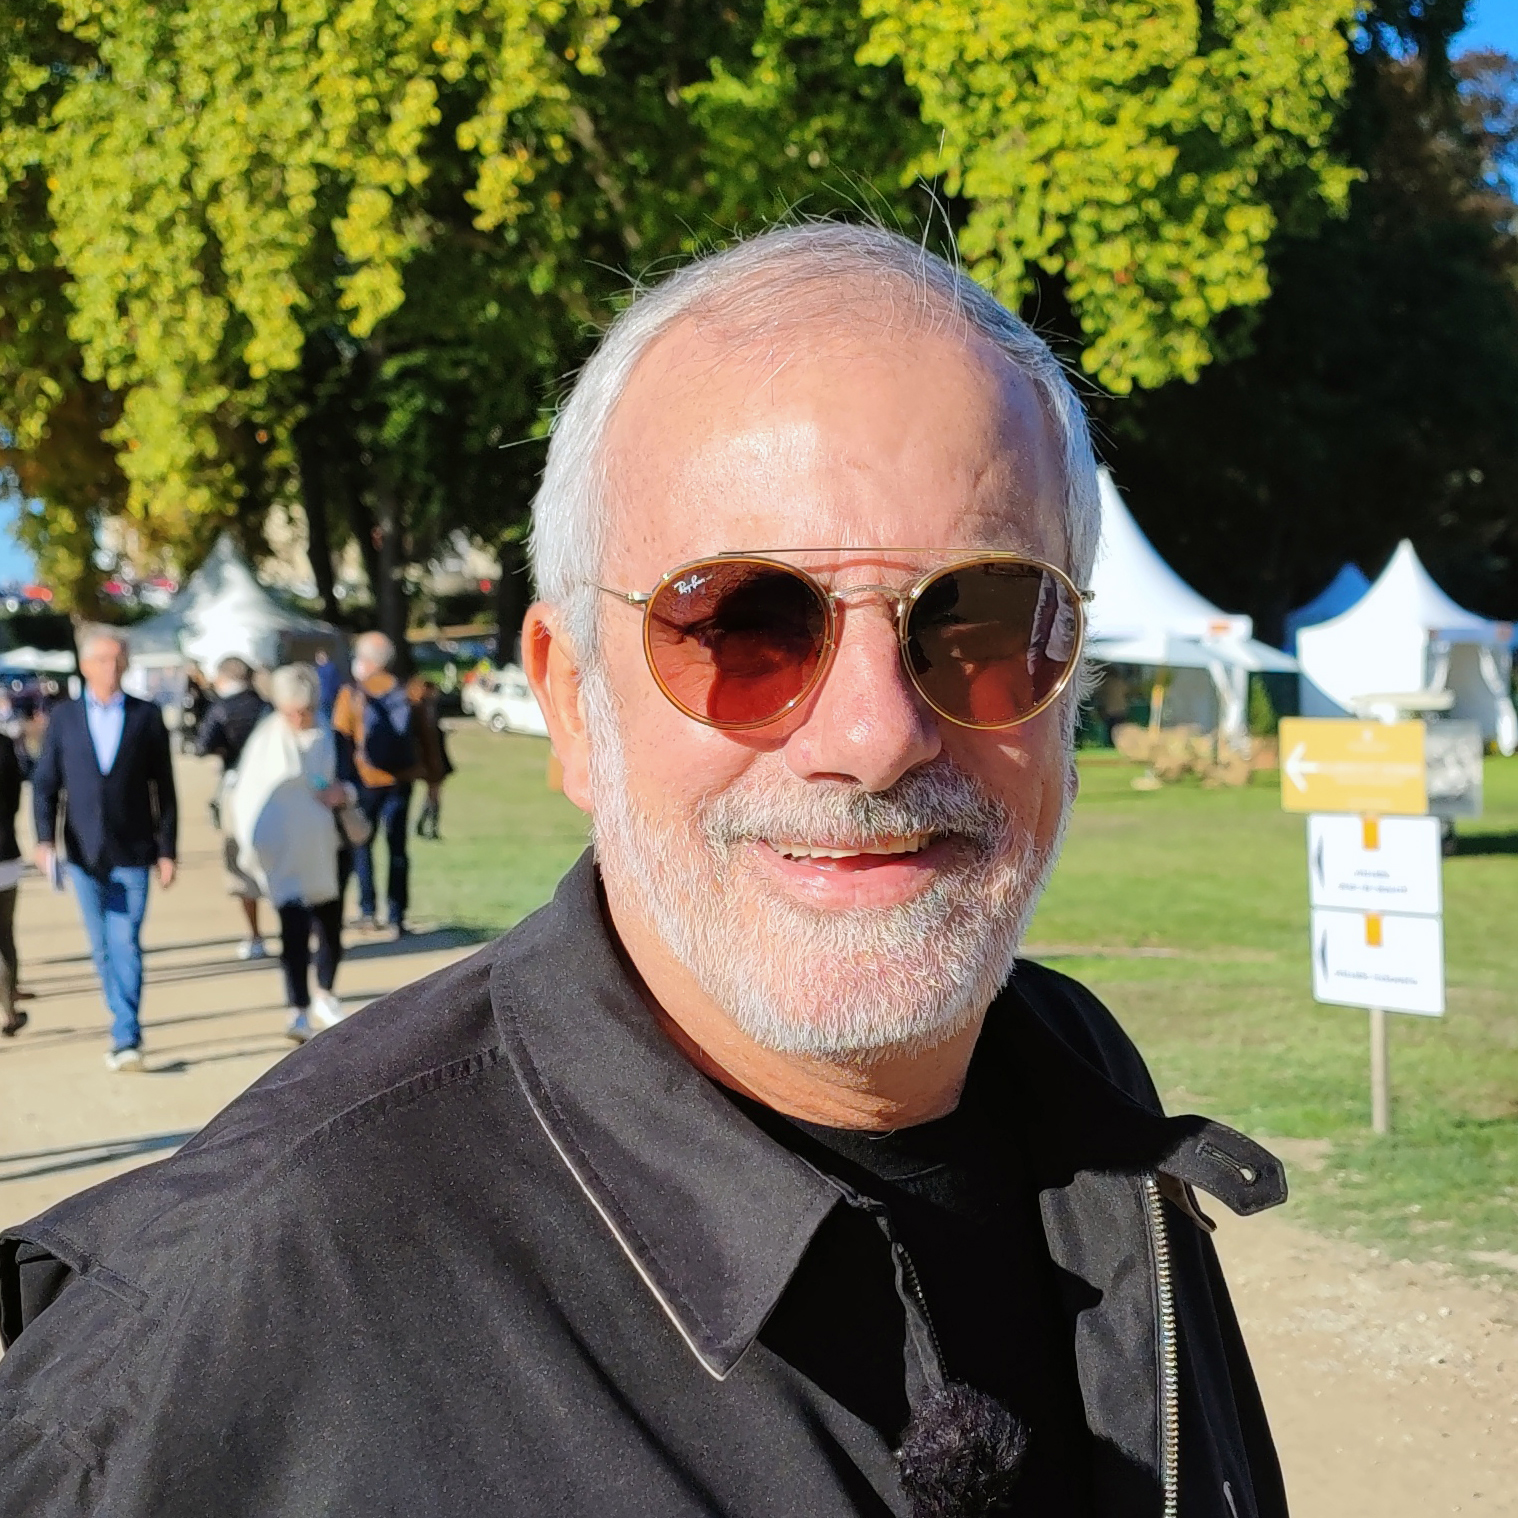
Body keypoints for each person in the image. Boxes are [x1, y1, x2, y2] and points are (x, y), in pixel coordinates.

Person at [0, 226, 1287, 1517]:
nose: (874, 736)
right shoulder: (200, 1363)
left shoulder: (1082, 1092)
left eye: (983, 618)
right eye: (743, 621)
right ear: (571, 697)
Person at [29, 627, 177, 1070]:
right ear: (85, 665)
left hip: (134, 850)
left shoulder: (146, 717)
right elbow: (45, 785)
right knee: (101, 946)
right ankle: (121, 1019)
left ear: (126, 665)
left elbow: (164, 790)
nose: (110, 670)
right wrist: (43, 841)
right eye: (101, 661)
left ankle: (127, 1034)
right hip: (82, 851)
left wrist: (167, 849)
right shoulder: (64, 718)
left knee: (126, 940)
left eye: (117, 661)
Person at [226, 664, 349, 1043]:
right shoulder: (264, 742)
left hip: (329, 849)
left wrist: (345, 794)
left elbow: (357, 782)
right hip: (283, 855)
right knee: (293, 932)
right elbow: (247, 797)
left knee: (330, 928)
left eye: (305, 710)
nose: (299, 717)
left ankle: (325, 993)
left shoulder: (334, 738)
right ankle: (296, 1007)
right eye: (291, 710)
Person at [330, 631, 443, 936]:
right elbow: (428, 741)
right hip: (401, 780)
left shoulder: (351, 694)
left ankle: (368, 911)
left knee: (361, 843)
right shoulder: (408, 693)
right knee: (397, 848)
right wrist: (434, 783)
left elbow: (341, 739)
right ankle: (397, 915)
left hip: (365, 782)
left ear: (365, 661)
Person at [195, 655, 272, 958]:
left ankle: (255, 934)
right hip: (270, 787)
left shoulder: (221, 708)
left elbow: (202, 745)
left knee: (238, 860)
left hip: (236, 787)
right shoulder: (267, 707)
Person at [0, 701, 32, 1036]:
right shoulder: (4, 745)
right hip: (4, 852)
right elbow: (15, 798)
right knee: (4, 934)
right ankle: (7, 1009)